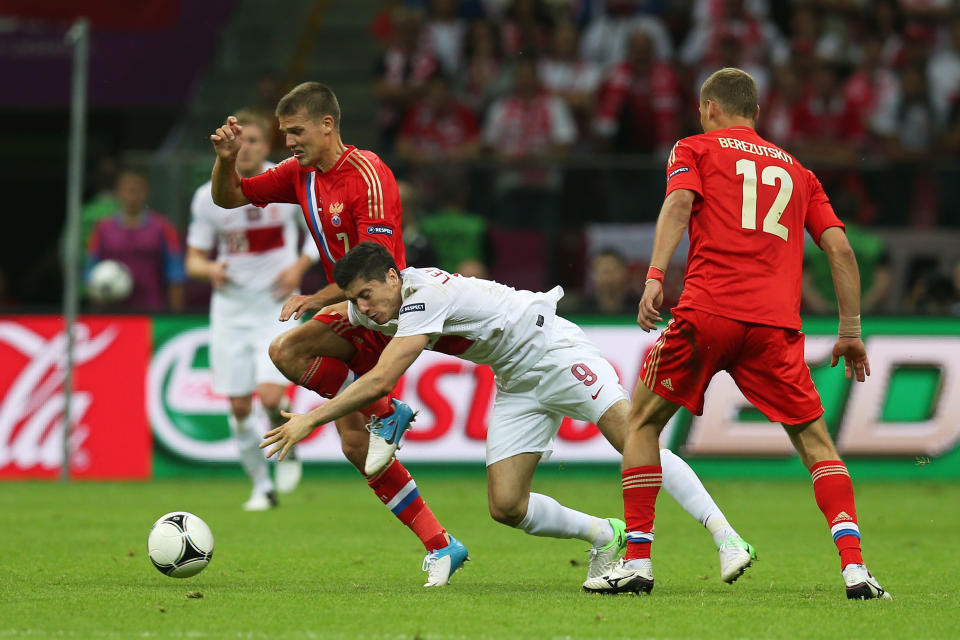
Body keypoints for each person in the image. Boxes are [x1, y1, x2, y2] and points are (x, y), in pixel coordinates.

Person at [261, 242, 757, 588]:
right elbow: (342, 322)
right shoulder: (375, 305)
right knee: (506, 506)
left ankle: (727, 537)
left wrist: (312, 418)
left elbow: (383, 378)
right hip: (515, 380)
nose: (364, 309)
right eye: (355, 300)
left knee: (636, 440)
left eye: (367, 295)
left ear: (393, 277)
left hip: (551, 349)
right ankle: (606, 535)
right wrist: (316, 305)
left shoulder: (423, 296)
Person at [586, 68, 890, 600]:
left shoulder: (694, 148)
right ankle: (855, 569)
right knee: (817, 445)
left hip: (708, 313)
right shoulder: (799, 171)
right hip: (774, 326)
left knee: (640, 423)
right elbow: (840, 250)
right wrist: (850, 329)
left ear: (709, 108)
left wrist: (654, 276)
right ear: (756, 112)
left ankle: (636, 560)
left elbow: (679, 204)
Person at [208, 81, 463, 587]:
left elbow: (375, 268)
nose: (289, 143)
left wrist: (314, 298)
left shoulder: (368, 175)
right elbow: (230, 197)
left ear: (327, 124)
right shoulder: (299, 174)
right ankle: (442, 544)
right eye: (284, 134)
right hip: (353, 307)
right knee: (350, 440)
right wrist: (226, 159)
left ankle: (386, 412)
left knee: (291, 347)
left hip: (386, 312)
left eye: (297, 131)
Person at [187, 109, 319, 511]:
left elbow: (317, 235)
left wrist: (298, 266)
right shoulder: (207, 196)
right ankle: (262, 485)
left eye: (255, 141)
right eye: (240, 140)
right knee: (240, 407)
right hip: (230, 310)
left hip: (275, 306)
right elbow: (192, 260)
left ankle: (288, 444)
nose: (246, 149)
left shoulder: (285, 181)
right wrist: (211, 267)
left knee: (268, 395)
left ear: (267, 145)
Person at [85, 167, 185, 311]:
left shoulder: (162, 228)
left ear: (147, 192)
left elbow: (175, 274)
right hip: (111, 311)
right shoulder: (102, 229)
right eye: (128, 189)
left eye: (137, 189)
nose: (132, 195)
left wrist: (176, 315)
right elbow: (90, 272)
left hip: (152, 310)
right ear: (118, 192)